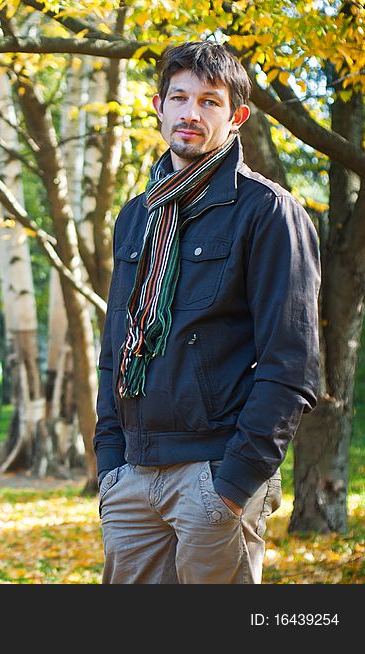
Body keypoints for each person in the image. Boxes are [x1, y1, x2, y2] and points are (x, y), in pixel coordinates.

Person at [94, 41, 320, 584]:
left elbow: (291, 367)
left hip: (214, 475)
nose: (191, 113)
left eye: (210, 102)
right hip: (133, 475)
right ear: (159, 106)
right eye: (179, 97)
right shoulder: (137, 215)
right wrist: (109, 466)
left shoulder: (268, 212)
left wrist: (235, 482)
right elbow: (115, 347)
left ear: (237, 116)